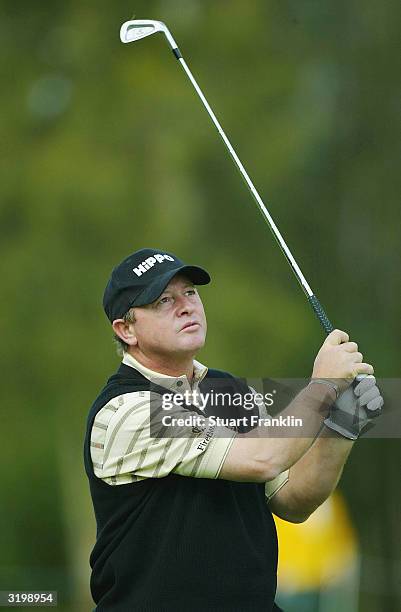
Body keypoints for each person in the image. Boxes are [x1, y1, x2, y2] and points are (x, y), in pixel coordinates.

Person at [84, 248, 383, 612]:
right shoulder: (127, 410)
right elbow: (263, 458)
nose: (185, 306)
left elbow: (293, 498)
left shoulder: (230, 390)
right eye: (163, 300)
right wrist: (322, 386)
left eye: (190, 292)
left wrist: (343, 422)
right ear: (126, 329)